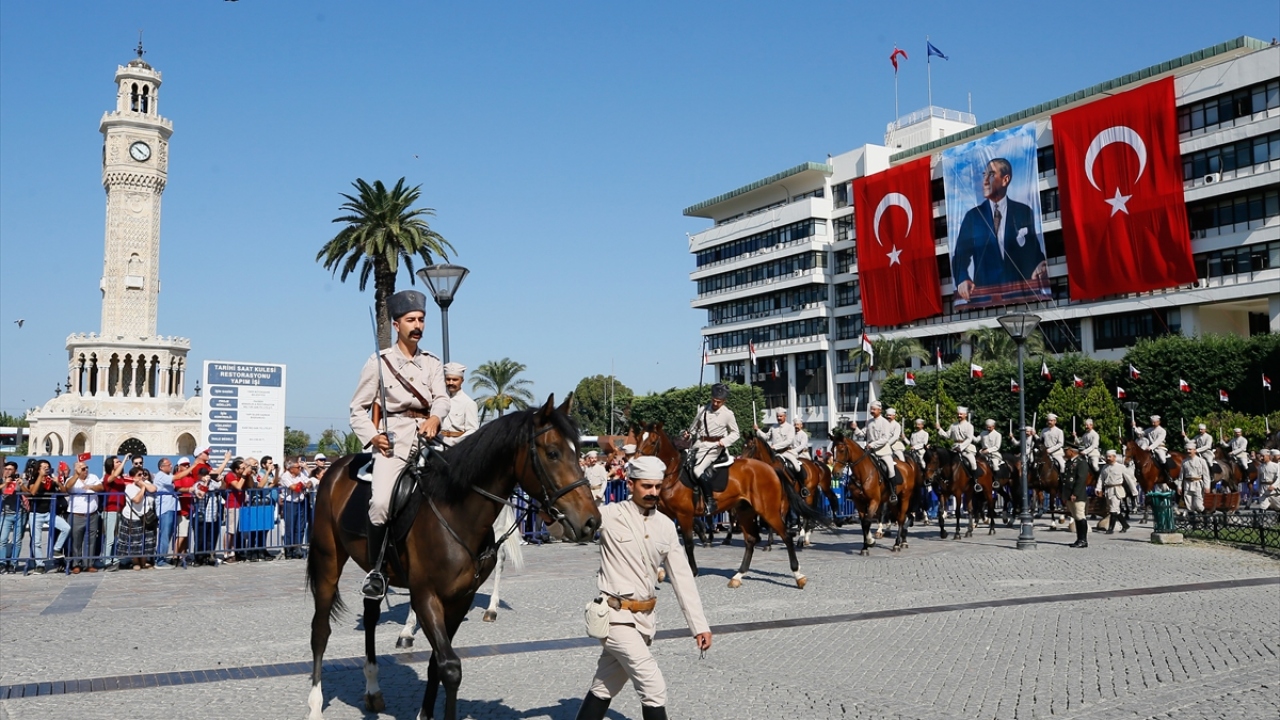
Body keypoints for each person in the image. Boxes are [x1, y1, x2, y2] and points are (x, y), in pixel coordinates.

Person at [573, 455, 711, 720]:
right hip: (614, 618)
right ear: (630, 483)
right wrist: (549, 520)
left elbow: (682, 577)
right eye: (646, 486)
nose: (653, 492)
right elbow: (572, 530)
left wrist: (699, 626)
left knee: (605, 685)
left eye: (657, 487)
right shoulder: (609, 515)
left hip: (645, 621)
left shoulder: (666, 526)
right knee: (653, 685)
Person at [349, 289, 450, 599]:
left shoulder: (432, 363)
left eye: (421, 320)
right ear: (396, 325)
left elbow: (442, 398)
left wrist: (435, 417)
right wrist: (372, 435)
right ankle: (377, 570)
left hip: (431, 437)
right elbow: (357, 408)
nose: (417, 325)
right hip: (394, 440)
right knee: (380, 503)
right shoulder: (379, 363)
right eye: (410, 320)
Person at [951, 158, 1048, 304]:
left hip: (1021, 296)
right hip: (985, 298)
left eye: (990, 175)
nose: (984, 181)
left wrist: (1040, 264)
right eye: (984, 175)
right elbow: (960, 255)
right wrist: (963, 278)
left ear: (1005, 180)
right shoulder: (973, 216)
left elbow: (1033, 250)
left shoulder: (1023, 211)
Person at [683, 383, 739, 516]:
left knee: (697, 470)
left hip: (715, 447)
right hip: (698, 444)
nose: (715, 403)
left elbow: (736, 433)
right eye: (713, 400)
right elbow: (694, 428)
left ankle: (711, 501)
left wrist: (724, 442)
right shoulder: (703, 410)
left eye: (718, 401)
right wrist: (688, 434)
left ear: (724, 401)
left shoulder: (728, 414)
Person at [63, 457, 109, 574]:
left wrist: (91, 487)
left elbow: (101, 488)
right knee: (76, 540)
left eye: (86, 468)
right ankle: (76, 564)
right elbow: (67, 487)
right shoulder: (71, 479)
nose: (85, 470)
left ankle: (89, 564)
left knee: (91, 540)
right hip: (76, 515)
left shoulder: (93, 477)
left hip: (92, 514)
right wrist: (76, 475)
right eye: (83, 468)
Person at [23, 460, 69, 573]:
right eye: (43, 467)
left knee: (66, 528)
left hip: (49, 513)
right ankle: (40, 565)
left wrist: (58, 483)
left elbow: (65, 492)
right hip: (36, 514)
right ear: (38, 469)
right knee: (36, 541)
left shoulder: (51, 481)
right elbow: (33, 492)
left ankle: (56, 549)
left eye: (47, 467)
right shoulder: (34, 479)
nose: (46, 468)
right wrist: (40, 476)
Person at [857, 401, 899, 502]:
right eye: (871, 409)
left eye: (874, 409)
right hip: (870, 452)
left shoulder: (885, 422)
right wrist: (855, 429)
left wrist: (872, 444)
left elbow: (885, 439)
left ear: (880, 410)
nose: (872, 411)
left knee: (891, 469)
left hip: (883, 451)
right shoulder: (869, 422)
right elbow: (862, 433)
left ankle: (893, 493)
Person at [118, 466, 158, 570]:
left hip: (145, 516)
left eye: (143, 474)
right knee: (134, 542)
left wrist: (143, 484)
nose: (142, 476)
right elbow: (136, 499)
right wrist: (143, 488)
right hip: (132, 517)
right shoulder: (129, 487)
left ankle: (144, 562)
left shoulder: (146, 483)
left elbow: (153, 489)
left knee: (146, 541)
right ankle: (136, 562)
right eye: (139, 475)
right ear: (133, 477)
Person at [280, 459, 316, 558]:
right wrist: (303, 484)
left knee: (300, 527)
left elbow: (309, 481)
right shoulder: (285, 476)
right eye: (297, 467)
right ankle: (288, 550)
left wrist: (306, 483)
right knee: (290, 528)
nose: (300, 468)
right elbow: (294, 488)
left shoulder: (300, 474)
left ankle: (297, 548)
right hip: (290, 503)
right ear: (291, 469)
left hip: (301, 502)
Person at [439, 362, 479, 448]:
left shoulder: (468, 403)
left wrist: (454, 442)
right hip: (436, 442)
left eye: (455, 380)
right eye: (448, 379)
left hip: (457, 447)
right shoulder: (437, 399)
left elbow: (472, 430)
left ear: (462, 381)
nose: (451, 382)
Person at [1064, 447, 1096, 548]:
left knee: (1080, 516)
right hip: (1069, 493)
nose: (1065, 452)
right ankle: (1079, 539)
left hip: (1078, 495)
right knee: (1076, 517)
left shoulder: (1081, 462)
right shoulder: (1069, 462)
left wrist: (1075, 493)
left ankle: (1083, 540)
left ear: (1072, 451)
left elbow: (1081, 479)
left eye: (1066, 450)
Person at [151, 458, 178, 568]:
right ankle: (160, 560)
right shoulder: (161, 476)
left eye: (171, 464)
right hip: (165, 509)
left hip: (170, 508)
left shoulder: (166, 476)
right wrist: (193, 466)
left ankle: (161, 557)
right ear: (161, 467)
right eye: (168, 464)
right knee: (165, 535)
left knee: (168, 534)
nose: (171, 466)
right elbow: (177, 477)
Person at [1096, 450, 1131, 534]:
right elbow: (1101, 479)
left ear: (1114, 457)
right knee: (1115, 510)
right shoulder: (1105, 467)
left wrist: (1134, 491)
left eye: (1110, 457)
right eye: (1107, 457)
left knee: (1113, 510)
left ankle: (1110, 529)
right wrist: (1098, 488)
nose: (1108, 458)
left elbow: (1128, 478)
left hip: (1116, 489)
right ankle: (1125, 525)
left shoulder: (1120, 467)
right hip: (1108, 490)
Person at [937, 406, 978, 475]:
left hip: (966, 449)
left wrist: (961, 447)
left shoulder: (969, 426)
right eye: (958, 414)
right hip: (954, 448)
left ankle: (975, 482)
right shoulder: (953, 425)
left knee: (973, 464)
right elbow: (947, 435)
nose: (959, 415)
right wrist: (939, 429)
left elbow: (969, 439)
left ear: (965, 415)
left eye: (961, 414)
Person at [0, 461, 24, 574]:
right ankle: (3, 562)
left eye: (10, 469)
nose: (8, 471)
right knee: (2, 539)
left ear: (15, 471)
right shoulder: (1, 481)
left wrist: (22, 484)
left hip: (19, 513)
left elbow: (29, 492)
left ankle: (13, 563)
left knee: (17, 540)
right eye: (6, 469)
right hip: (5, 514)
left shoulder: (19, 481)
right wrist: (5, 483)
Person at [1180, 442, 1210, 515]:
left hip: (1198, 484)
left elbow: (1206, 475)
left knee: (1198, 505)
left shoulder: (1201, 461)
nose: (1188, 451)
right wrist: (1179, 486)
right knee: (1189, 506)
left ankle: (1207, 517)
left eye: (1190, 449)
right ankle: (1193, 523)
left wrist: (1207, 486)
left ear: (1194, 450)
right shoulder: (1184, 462)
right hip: (1187, 484)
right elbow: (1181, 475)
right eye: (1187, 449)